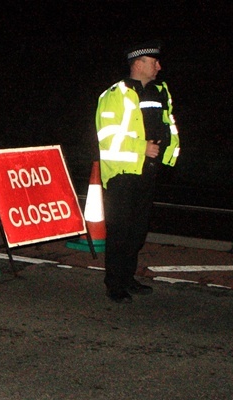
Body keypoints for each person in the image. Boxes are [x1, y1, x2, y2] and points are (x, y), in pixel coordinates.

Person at [95, 40, 181, 303]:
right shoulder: (115, 95)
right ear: (138, 64)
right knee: (120, 231)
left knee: (137, 230)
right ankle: (115, 284)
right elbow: (106, 136)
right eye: (154, 62)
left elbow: (169, 126)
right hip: (122, 173)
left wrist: (167, 155)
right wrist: (141, 148)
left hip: (148, 171)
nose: (159, 66)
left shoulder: (159, 91)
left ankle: (127, 277)